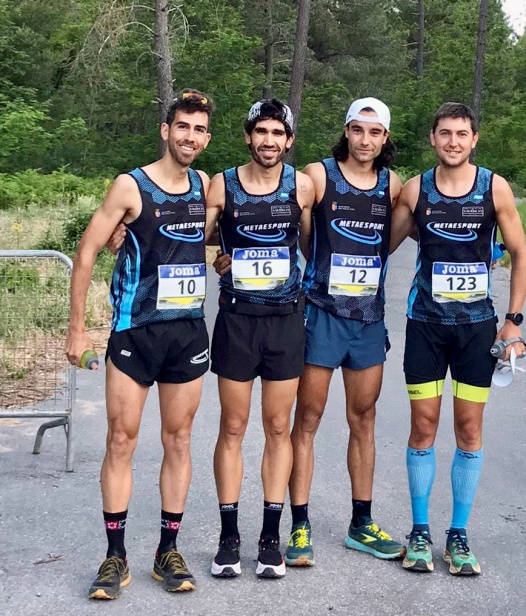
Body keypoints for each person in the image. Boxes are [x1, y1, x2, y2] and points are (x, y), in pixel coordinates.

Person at [215, 98, 405, 565]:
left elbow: (396, 237)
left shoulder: (392, 184)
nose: (365, 140)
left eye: (375, 132)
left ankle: (361, 522)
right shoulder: (317, 177)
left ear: (385, 139)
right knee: (306, 421)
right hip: (318, 312)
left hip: (368, 317)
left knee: (364, 419)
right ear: (346, 131)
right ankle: (299, 526)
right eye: (358, 130)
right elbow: (293, 232)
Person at [64, 90, 215, 599]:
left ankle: (166, 551)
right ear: (165, 130)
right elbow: (86, 252)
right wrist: (76, 330)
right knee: (122, 440)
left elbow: (213, 236)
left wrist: (226, 260)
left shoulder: (206, 185)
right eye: (182, 127)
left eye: (198, 130)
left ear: (207, 138)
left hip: (188, 333)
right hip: (135, 331)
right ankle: (115, 557)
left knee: (178, 441)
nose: (189, 137)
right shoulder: (131, 186)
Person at [390, 102, 526, 575]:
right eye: (445, 133)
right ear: (433, 139)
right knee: (423, 427)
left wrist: (513, 322)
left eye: (462, 134)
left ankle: (459, 535)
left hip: (476, 330)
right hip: (425, 326)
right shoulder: (416, 190)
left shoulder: (495, 188)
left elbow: (520, 252)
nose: (453, 141)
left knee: (469, 430)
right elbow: (379, 245)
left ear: (474, 139)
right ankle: (420, 531)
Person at [208, 99, 315, 579]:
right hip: (237, 319)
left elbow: (313, 243)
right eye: (261, 132)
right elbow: (199, 237)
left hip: (286, 321)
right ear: (248, 137)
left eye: (278, 133)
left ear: (289, 141)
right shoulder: (222, 184)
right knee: (232, 427)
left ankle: (270, 536)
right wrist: (217, 256)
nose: (269, 141)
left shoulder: (302, 187)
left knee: (278, 427)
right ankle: (229, 536)